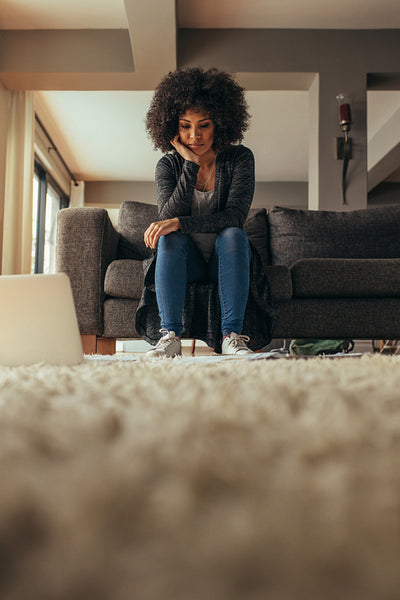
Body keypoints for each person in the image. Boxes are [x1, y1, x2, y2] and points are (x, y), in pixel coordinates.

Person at [135, 67, 275, 358]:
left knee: (235, 234)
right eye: (185, 126)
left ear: (220, 124)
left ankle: (232, 336)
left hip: (227, 257)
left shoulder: (239, 158)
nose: (194, 135)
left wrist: (178, 222)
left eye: (204, 125)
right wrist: (190, 165)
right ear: (173, 126)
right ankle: (170, 337)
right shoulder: (168, 166)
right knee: (169, 240)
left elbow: (235, 216)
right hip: (189, 261)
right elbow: (168, 216)